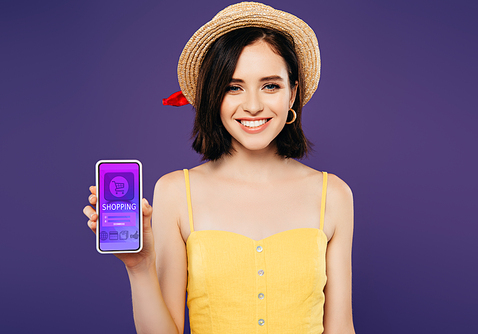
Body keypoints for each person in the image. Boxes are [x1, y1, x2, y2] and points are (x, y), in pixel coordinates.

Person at [84, 2, 355, 333]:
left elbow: (341, 328)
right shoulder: (174, 191)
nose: (253, 106)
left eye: (270, 85)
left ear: (293, 92)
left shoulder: (333, 195)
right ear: (213, 95)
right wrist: (139, 266)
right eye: (233, 86)